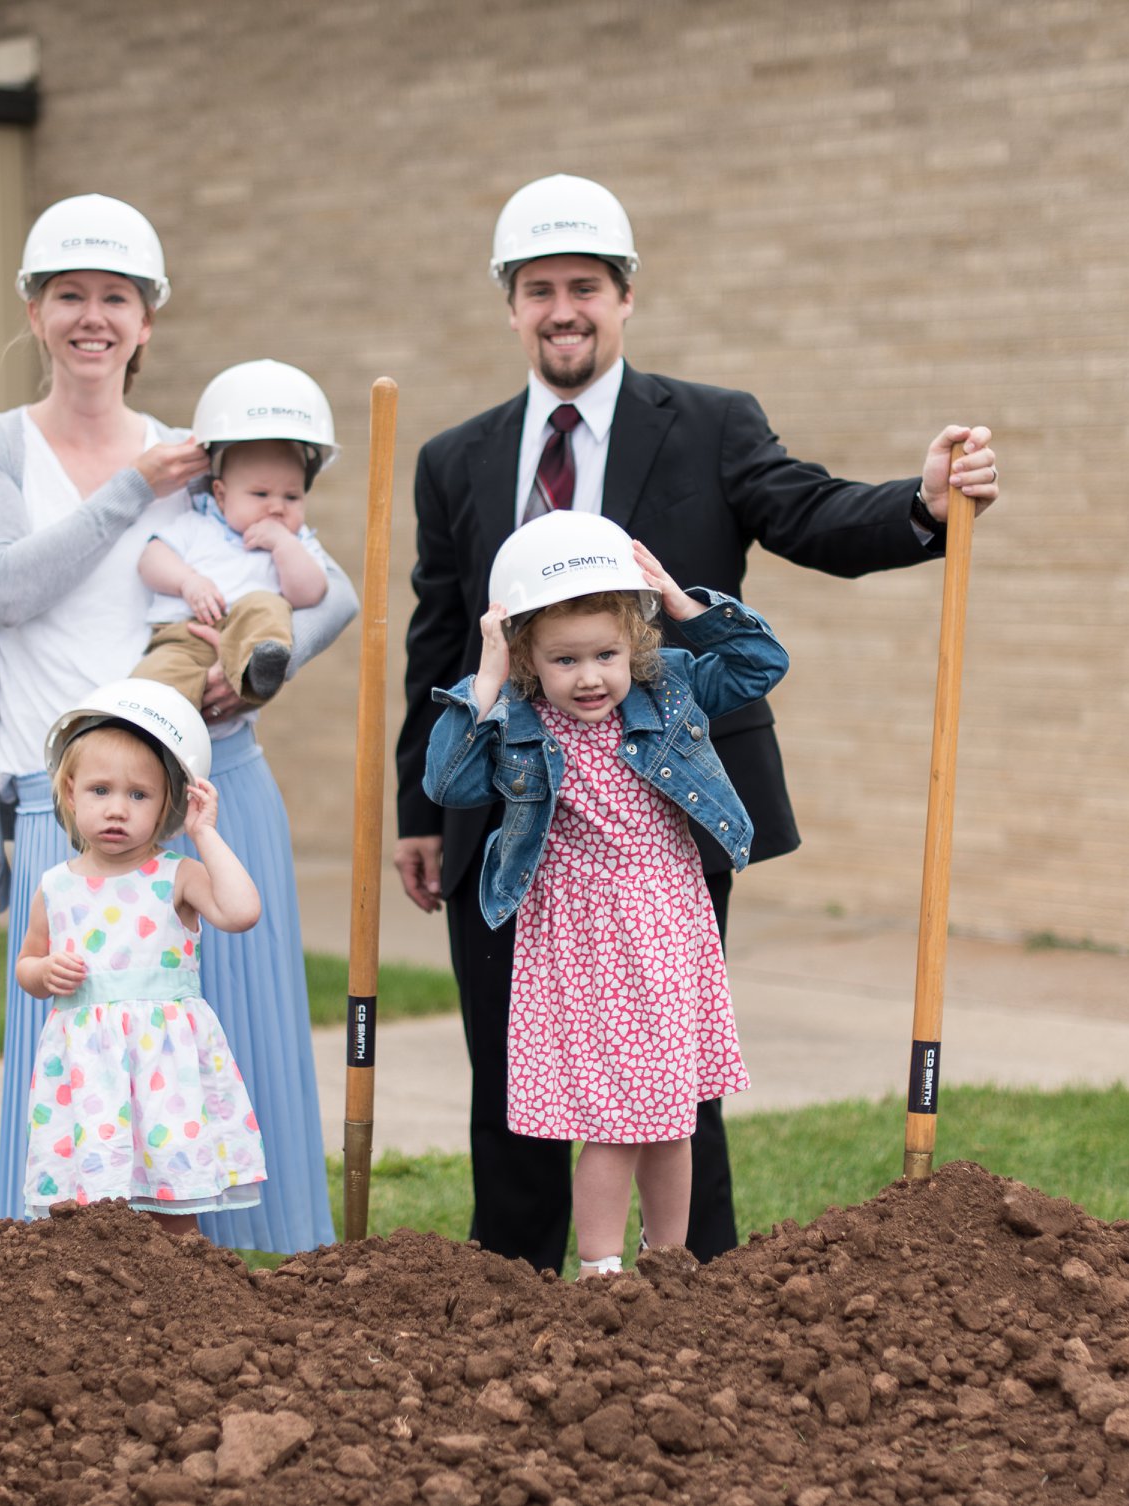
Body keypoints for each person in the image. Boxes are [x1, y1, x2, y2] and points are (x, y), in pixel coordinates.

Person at [392, 172, 1002, 1272]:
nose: (562, 308)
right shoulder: (455, 460)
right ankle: (516, 1283)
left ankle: (693, 1280)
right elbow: (437, 639)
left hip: (660, 815)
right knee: (517, 1064)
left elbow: (808, 512)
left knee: (671, 1067)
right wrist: (418, 810)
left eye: (585, 285)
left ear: (624, 298)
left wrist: (918, 506)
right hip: (509, 816)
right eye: (539, 289)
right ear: (511, 304)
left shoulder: (712, 425)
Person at [0, 194, 356, 1252]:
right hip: (65, 805)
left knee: (237, 1060)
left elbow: (331, 592)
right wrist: (132, 488)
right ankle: (80, 1322)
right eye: (68, 295)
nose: (93, 318)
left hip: (210, 790)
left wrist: (246, 682)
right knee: (74, 1090)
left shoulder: (199, 454)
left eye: (115, 298)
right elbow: (2, 588)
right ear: (32, 312)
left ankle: (265, 1299)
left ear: (148, 320)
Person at [424, 514, 787, 1276]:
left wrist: (685, 606)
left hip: (666, 922)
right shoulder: (518, 720)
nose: (589, 677)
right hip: (582, 938)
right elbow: (447, 782)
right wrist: (484, 681)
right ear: (526, 656)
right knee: (615, 1119)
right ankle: (600, 1272)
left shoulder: (670, 692)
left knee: (673, 1113)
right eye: (564, 660)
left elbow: (758, 663)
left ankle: (670, 1261)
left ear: (637, 646)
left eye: (606, 655)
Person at [17, 680, 266, 1234]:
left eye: (138, 795)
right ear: (69, 792)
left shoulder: (176, 875)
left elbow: (241, 911)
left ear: (168, 805)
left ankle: (183, 1298)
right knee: (87, 1210)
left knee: (172, 1203)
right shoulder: (57, 886)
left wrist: (205, 835)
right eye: (100, 790)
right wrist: (43, 973)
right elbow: (28, 963)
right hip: (87, 1072)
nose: (116, 809)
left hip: (163, 1070)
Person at [134, 361, 336, 709]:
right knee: (155, 684)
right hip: (184, 636)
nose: (276, 507)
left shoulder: (297, 541)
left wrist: (283, 544)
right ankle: (135, 720)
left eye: (292, 497)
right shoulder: (201, 524)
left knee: (268, 605)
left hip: (247, 638)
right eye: (260, 495)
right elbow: (151, 559)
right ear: (222, 495)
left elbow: (310, 593)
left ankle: (261, 668)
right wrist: (188, 582)